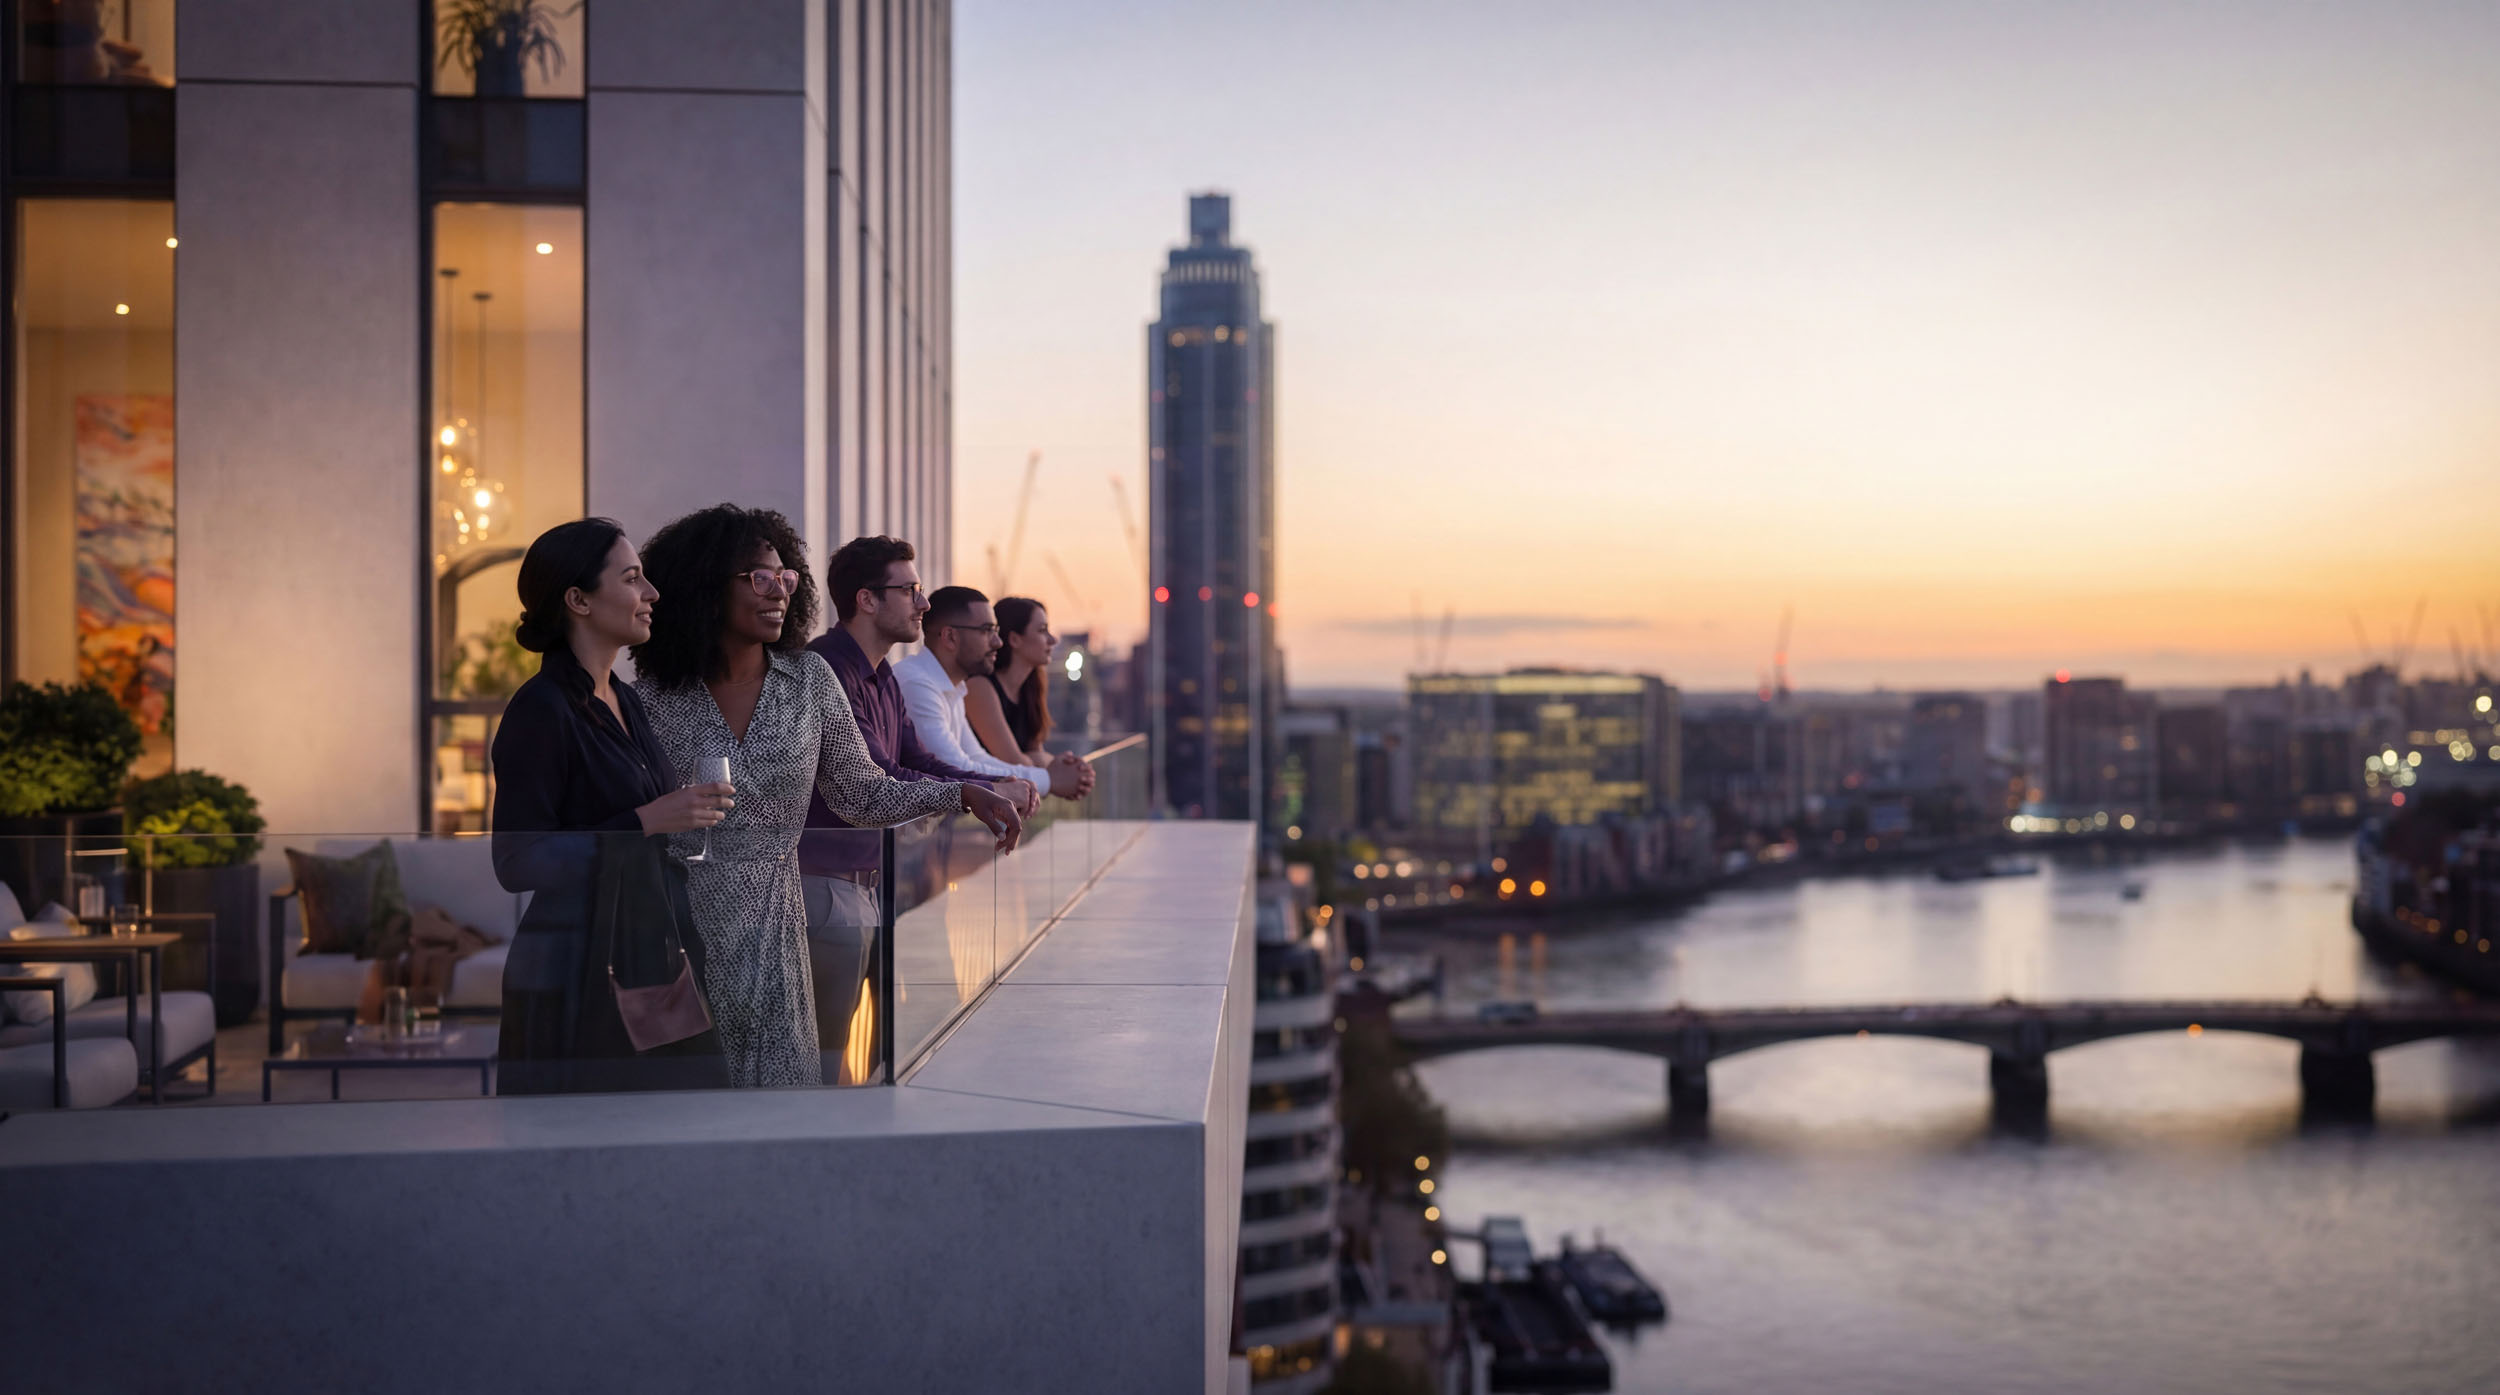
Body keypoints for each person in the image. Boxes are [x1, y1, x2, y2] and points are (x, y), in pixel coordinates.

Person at [630, 505, 1022, 1088]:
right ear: (705, 587)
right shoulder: (652, 699)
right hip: (681, 931)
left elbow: (862, 794)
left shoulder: (810, 682)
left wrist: (963, 793)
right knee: (692, 1098)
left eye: (785, 577)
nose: (779, 591)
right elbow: (626, 818)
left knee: (787, 1091)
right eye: (759, 578)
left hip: (780, 929)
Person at [489, 518, 731, 1095]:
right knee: (592, 1137)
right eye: (631, 578)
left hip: (649, 952)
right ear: (578, 600)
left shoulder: (624, 699)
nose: (651, 593)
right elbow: (517, 861)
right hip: (576, 970)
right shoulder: (540, 709)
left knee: (684, 1123)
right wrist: (645, 822)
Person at [801, 535, 1037, 1081]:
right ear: (866, 600)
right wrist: (972, 793)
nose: (924, 603)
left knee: (878, 1054)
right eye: (909, 590)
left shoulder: (882, 674)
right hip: (825, 887)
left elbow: (918, 761)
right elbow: (878, 781)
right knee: (822, 1065)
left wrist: (992, 784)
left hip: (870, 884)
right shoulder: (827, 670)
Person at [897, 586, 1095, 803]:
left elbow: (975, 758)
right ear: (950, 637)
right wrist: (1047, 779)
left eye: (995, 631)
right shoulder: (917, 683)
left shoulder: (953, 687)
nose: (997, 642)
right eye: (986, 630)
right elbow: (954, 767)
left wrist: (1041, 777)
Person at [963, 595, 1060, 770]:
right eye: (1042, 630)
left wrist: (1038, 760)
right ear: (1014, 639)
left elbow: (1035, 755)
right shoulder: (979, 687)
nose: (1053, 640)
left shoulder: (1030, 689)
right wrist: (1040, 761)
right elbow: (1013, 762)